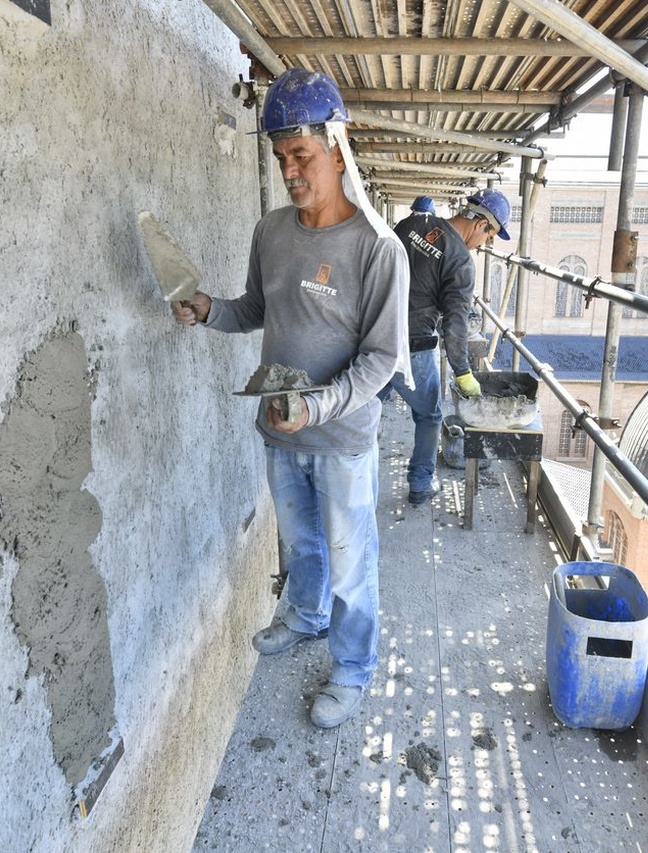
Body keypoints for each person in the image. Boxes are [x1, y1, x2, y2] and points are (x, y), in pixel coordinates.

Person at [171, 67, 410, 729]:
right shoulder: (271, 232)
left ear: (338, 146)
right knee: (303, 545)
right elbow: (255, 308)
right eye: (281, 158)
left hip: (339, 439)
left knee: (351, 564)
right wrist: (208, 309)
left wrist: (321, 405)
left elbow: (383, 359)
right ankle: (304, 619)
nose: (291, 171)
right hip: (281, 428)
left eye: (301, 156)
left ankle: (353, 669)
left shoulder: (378, 248)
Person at [382, 187, 512, 506]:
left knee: (368, 406)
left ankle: (354, 478)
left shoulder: (410, 225)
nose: (484, 246)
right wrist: (463, 372)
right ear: (483, 225)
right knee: (430, 416)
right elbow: (456, 324)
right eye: (490, 237)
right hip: (412, 346)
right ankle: (421, 484)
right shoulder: (461, 262)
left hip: (372, 335)